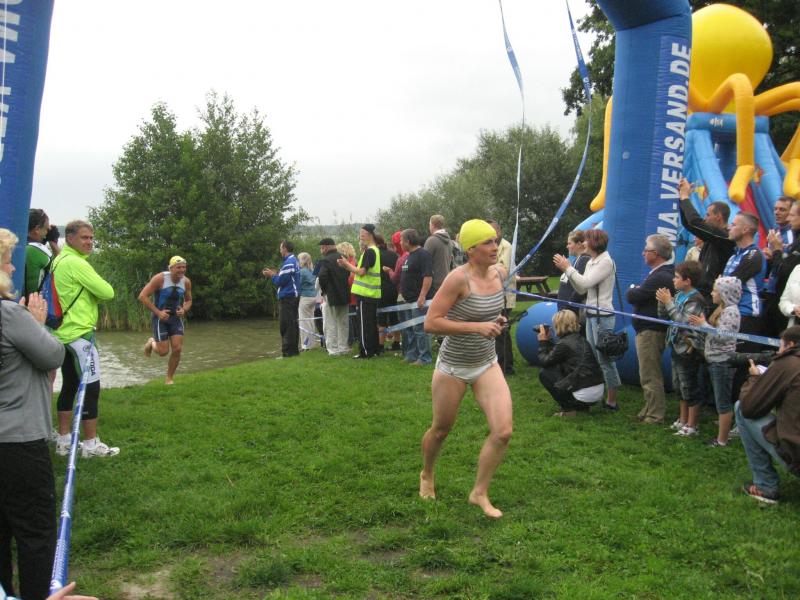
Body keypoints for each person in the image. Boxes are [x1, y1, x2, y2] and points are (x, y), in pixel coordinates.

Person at [420, 219, 512, 519]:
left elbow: (490, 312)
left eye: (495, 241)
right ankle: (427, 473)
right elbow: (431, 323)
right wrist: (478, 327)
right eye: (487, 242)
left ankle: (479, 492)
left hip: (486, 363)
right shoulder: (457, 279)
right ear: (470, 249)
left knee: (503, 431)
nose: (495, 247)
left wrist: (496, 322)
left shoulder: (499, 273)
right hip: (454, 366)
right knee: (441, 430)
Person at [0, 228, 66, 600]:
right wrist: (37, 325)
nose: (12, 268)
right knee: (35, 532)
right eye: (7, 261)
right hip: (19, 442)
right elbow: (53, 355)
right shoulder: (10, 315)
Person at [53, 220, 118, 458]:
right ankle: (90, 444)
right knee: (91, 387)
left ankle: (63, 441)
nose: (89, 242)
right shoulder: (76, 263)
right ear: (69, 238)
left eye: (91, 238)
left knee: (69, 385)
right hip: (80, 334)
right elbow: (108, 292)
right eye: (84, 238)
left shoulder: (59, 259)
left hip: (62, 333)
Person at [553, 229, 621, 410]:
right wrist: (568, 271)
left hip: (603, 316)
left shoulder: (606, 262)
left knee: (604, 359)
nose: (583, 243)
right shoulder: (591, 261)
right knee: (594, 356)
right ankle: (600, 394)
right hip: (591, 315)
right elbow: (582, 289)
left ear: (594, 242)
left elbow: (585, 283)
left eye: (586, 240)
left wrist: (568, 268)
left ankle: (612, 400)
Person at [735, 325, 800, 504]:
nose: (778, 351)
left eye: (780, 346)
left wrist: (755, 379)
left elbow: (750, 408)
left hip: (796, 453)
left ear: (790, 345)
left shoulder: (789, 362)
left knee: (741, 408)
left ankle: (765, 486)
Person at [625, 234, 675, 424]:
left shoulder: (661, 276)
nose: (643, 253)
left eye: (646, 250)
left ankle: (655, 414)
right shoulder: (660, 273)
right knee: (646, 372)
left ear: (655, 253)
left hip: (651, 331)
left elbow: (633, 296)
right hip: (648, 330)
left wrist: (633, 289)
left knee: (650, 373)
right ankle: (649, 408)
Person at [688, 277, 742, 445]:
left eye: (715, 291)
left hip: (723, 361)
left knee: (723, 402)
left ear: (725, 294)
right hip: (713, 359)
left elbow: (723, 336)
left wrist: (703, 325)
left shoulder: (731, 312)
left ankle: (722, 440)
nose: (712, 293)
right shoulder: (722, 309)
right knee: (718, 399)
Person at [656, 261, 707, 434]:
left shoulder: (695, 299)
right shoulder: (678, 295)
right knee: (678, 385)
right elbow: (664, 316)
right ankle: (683, 419)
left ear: (688, 281)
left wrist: (668, 302)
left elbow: (682, 321)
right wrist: (662, 302)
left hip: (688, 348)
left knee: (689, 386)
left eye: (677, 277)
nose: (674, 280)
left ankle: (692, 425)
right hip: (676, 345)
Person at [537, 310, 604, 417]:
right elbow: (555, 356)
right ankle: (582, 407)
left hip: (584, 393)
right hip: (597, 391)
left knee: (544, 373)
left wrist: (542, 342)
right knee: (558, 368)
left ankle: (569, 409)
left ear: (558, 325)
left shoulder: (564, 344)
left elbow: (544, 362)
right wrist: (548, 341)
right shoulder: (582, 339)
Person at [678, 177, 735, 302]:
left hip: (713, 297)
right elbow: (689, 224)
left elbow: (695, 222)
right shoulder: (711, 237)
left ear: (718, 216)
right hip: (701, 293)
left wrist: (685, 197)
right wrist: (682, 198)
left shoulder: (725, 237)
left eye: (708, 215)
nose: (705, 218)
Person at [139, 256, 193, 385]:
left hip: (176, 318)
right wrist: (158, 312)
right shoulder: (160, 278)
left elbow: (189, 300)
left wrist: (184, 309)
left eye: (184, 267)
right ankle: (152, 342)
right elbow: (142, 296)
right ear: (171, 268)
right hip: (160, 318)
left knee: (177, 349)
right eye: (179, 267)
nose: (182, 270)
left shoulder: (186, 282)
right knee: (163, 352)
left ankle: (169, 378)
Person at [338, 225, 381, 359]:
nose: (360, 236)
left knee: (364, 325)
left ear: (369, 235)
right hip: (372, 293)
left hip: (365, 293)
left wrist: (346, 265)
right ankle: (374, 350)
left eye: (362, 234)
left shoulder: (369, 252)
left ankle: (365, 352)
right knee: (371, 324)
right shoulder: (375, 250)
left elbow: (361, 272)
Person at [396, 229, 433, 365]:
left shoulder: (423, 255)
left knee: (420, 329)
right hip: (408, 300)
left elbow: (428, 276)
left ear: (408, 241)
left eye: (401, 240)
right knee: (410, 329)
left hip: (419, 301)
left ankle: (424, 358)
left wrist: (422, 296)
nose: (400, 243)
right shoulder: (409, 256)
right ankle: (412, 355)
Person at [763, 199, 800, 336]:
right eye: (775, 209)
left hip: (787, 299)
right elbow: (774, 269)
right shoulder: (776, 233)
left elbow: (785, 270)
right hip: (776, 296)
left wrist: (778, 251)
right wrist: (770, 259)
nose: (777, 212)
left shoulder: (792, 237)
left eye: (791, 214)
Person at [487, 219, 516, 376]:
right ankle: (499, 362)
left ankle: (506, 366)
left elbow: (502, 269)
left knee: (502, 330)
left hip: (504, 295)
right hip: (492, 294)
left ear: (499, 231)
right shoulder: (490, 246)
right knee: (497, 330)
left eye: (492, 230)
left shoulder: (506, 246)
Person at [263, 241, 300, 358]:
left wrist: (271, 275)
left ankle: (287, 353)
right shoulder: (293, 260)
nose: (280, 251)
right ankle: (294, 351)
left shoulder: (288, 263)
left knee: (286, 325)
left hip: (288, 298)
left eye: (280, 248)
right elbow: (286, 278)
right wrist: (276, 274)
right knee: (293, 324)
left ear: (284, 248)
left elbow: (280, 281)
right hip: (293, 297)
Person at [317, 238, 351, 356]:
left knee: (330, 323)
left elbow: (322, 276)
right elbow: (348, 273)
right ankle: (343, 347)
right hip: (344, 293)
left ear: (325, 247)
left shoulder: (326, 260)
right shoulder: (343, 257)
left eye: (321, 248)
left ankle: (333, 349)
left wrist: (324, 291)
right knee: (343, 322)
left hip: (331, 295)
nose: (321, 250)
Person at [24, 209, 57, 300]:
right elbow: (63, 268)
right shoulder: (37, 251)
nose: (46, 234)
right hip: (33, 304)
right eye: (46, 229)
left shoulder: (14, 245)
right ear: (37, 229)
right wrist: (53, 242)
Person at [556, 230, 590, 318]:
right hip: (567, 312)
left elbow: (580, 289)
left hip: (571, 314)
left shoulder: (584, 260)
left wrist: (569, 308)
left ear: (578, 244)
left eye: (569, 243)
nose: (567, 246)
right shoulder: (577, 260)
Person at [375, 234, 399, 353]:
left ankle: (380, 344)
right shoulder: (394, 255)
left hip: (380, 289)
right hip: (393, 288)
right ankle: (396, 342)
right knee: (394, 316)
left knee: (381, 317)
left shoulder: (374, 255)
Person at [423, 214, 453, 295]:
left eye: (429, 224)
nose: (429, 227)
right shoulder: (449, 241)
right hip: (446, 281)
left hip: (434, 285)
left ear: (433, 225)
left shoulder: (431, 240)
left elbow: (424, 262)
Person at [297, 252, 319, 351]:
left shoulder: (302, 271)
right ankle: (311, 344)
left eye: (299, 259)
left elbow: (298, 285)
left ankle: (305, 346)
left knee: (303, 322)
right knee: (310, 321)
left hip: (305, 298)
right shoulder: (312, 270)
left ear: (302, 261)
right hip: (313, 297)